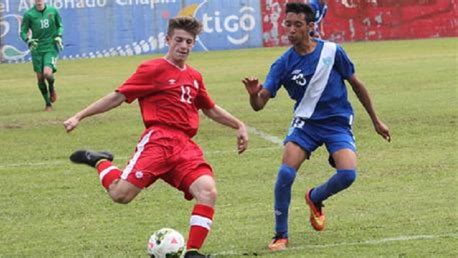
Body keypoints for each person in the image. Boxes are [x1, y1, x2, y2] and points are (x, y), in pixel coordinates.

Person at [64, 16, 248, 258]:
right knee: (120, 195)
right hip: (158, 141)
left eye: (189, 42)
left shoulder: (194, 76)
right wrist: (80, 115)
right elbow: (118, 96)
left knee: (207, 191)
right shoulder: (152, 69)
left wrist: (239, 124)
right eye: (179, 40)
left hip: (184, 146)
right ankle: (99, 160)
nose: (184, 46)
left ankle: (192, 252)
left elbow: (209, 108)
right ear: (168, 39)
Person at [242, 2, 390, 251]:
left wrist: (376, 120)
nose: (290, 30)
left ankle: (315, 197)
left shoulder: (333, 51)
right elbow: (259, 104)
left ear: (310, 27)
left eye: (297, 25)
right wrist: (253, 94)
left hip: (337, 123)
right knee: (285, 174)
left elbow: (356, 84)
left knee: (347, 175)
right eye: (287, 24)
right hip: (306, 124)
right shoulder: (282, 64)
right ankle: (281, 235)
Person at [20, 0, 64, 111]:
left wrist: (59, 36)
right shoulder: (29, 14)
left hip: (50, 47)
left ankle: (52, 87)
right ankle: (48, 104)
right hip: (37, 49)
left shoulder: (53, 11)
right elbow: (23, 31)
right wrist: (28, 40)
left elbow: (60, 25)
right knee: (40, 78)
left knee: (47, 73)